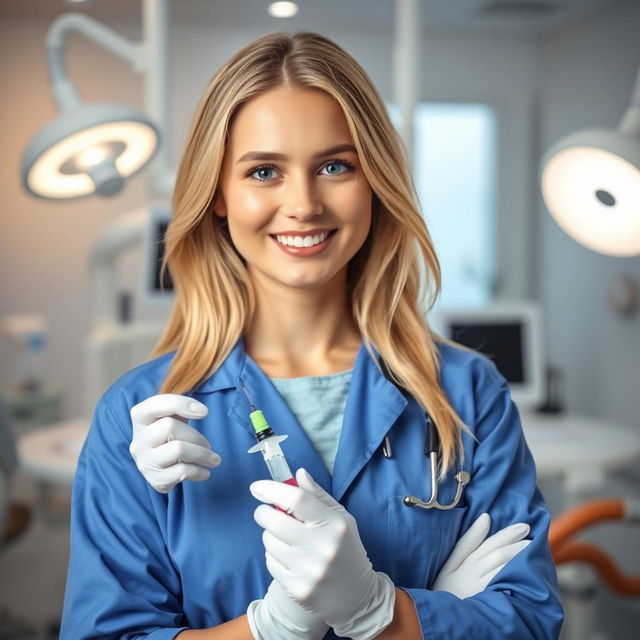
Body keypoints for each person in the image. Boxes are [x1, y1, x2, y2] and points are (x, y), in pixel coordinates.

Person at [60, 31, 563, 640]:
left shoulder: (466, 391)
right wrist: (276, 627)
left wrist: (381, 609)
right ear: (219, 194)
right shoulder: (140, 420)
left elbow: (532, 620)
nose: (303, 203)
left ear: (374, 180)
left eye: (334, 166)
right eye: (264, 171)